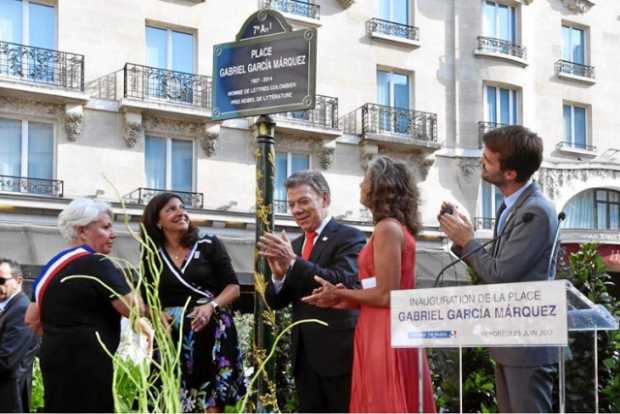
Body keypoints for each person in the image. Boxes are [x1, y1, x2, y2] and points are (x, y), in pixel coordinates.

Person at [438, 125, 559, 413]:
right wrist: (463, 238)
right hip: (511, 340)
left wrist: (467, 240)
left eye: (488, 160)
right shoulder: (511, 207)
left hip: (528, 344)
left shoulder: (536, 211)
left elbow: (500, 274)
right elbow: (497, 265)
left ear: (510, 173)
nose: (481, 162)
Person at [302, 156, 436, 412]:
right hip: (386, 324)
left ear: (380, 186)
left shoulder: (387, 228)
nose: (360, 185)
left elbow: (386, 295)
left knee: (382, 400)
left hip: (383, 328)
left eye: (365, 179)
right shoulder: (393, 228)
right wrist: (341, 296)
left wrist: (343, 294)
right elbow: (381, 290)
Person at [257, 170, 366, 412]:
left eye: (304, 201)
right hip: (304, 357)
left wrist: (294, 263)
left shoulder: (350, 237)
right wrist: (277, 275)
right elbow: (276, 302)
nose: (296, 210)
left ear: (324, 199)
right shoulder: (294, 245)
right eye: (292, 204)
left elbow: (342, 281)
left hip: (339, 355)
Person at [24, 198, 143, 412]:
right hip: (90, 364)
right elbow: (134, 309)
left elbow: (31, 319)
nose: (113, 234)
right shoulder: (97, 263)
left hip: (54, 359)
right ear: (82, 231)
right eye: (106, 227)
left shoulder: (51, 267)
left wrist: (63, 336)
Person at [141, 193, 245, 413]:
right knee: (172, 399)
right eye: (171, 209)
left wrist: (211, 306)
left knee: (211, 400)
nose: (181, 212)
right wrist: (155, 315)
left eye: (182, 207)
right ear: (157, 221)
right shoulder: (152, 254)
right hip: (172, 338)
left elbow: (233, 287)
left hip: (212, 330)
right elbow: (144, 297)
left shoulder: (208, 244)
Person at [0, 259, 39, 413]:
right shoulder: (9, 307)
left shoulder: (21, 309)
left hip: (8, 398)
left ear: (18, 280)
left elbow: (7, 360)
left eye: (1, 280)